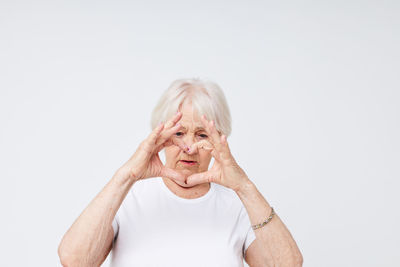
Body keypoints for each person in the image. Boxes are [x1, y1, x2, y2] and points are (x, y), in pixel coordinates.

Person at [58, 78, 303, 267]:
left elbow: (288, 264)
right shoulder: (127, 197)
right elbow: (74, 260)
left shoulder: (237, 206)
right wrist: (127, 176)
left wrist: (244, 187)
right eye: (178, 133)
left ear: (219, 141)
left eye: (202, 134)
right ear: (160, 136)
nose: (189, 147)